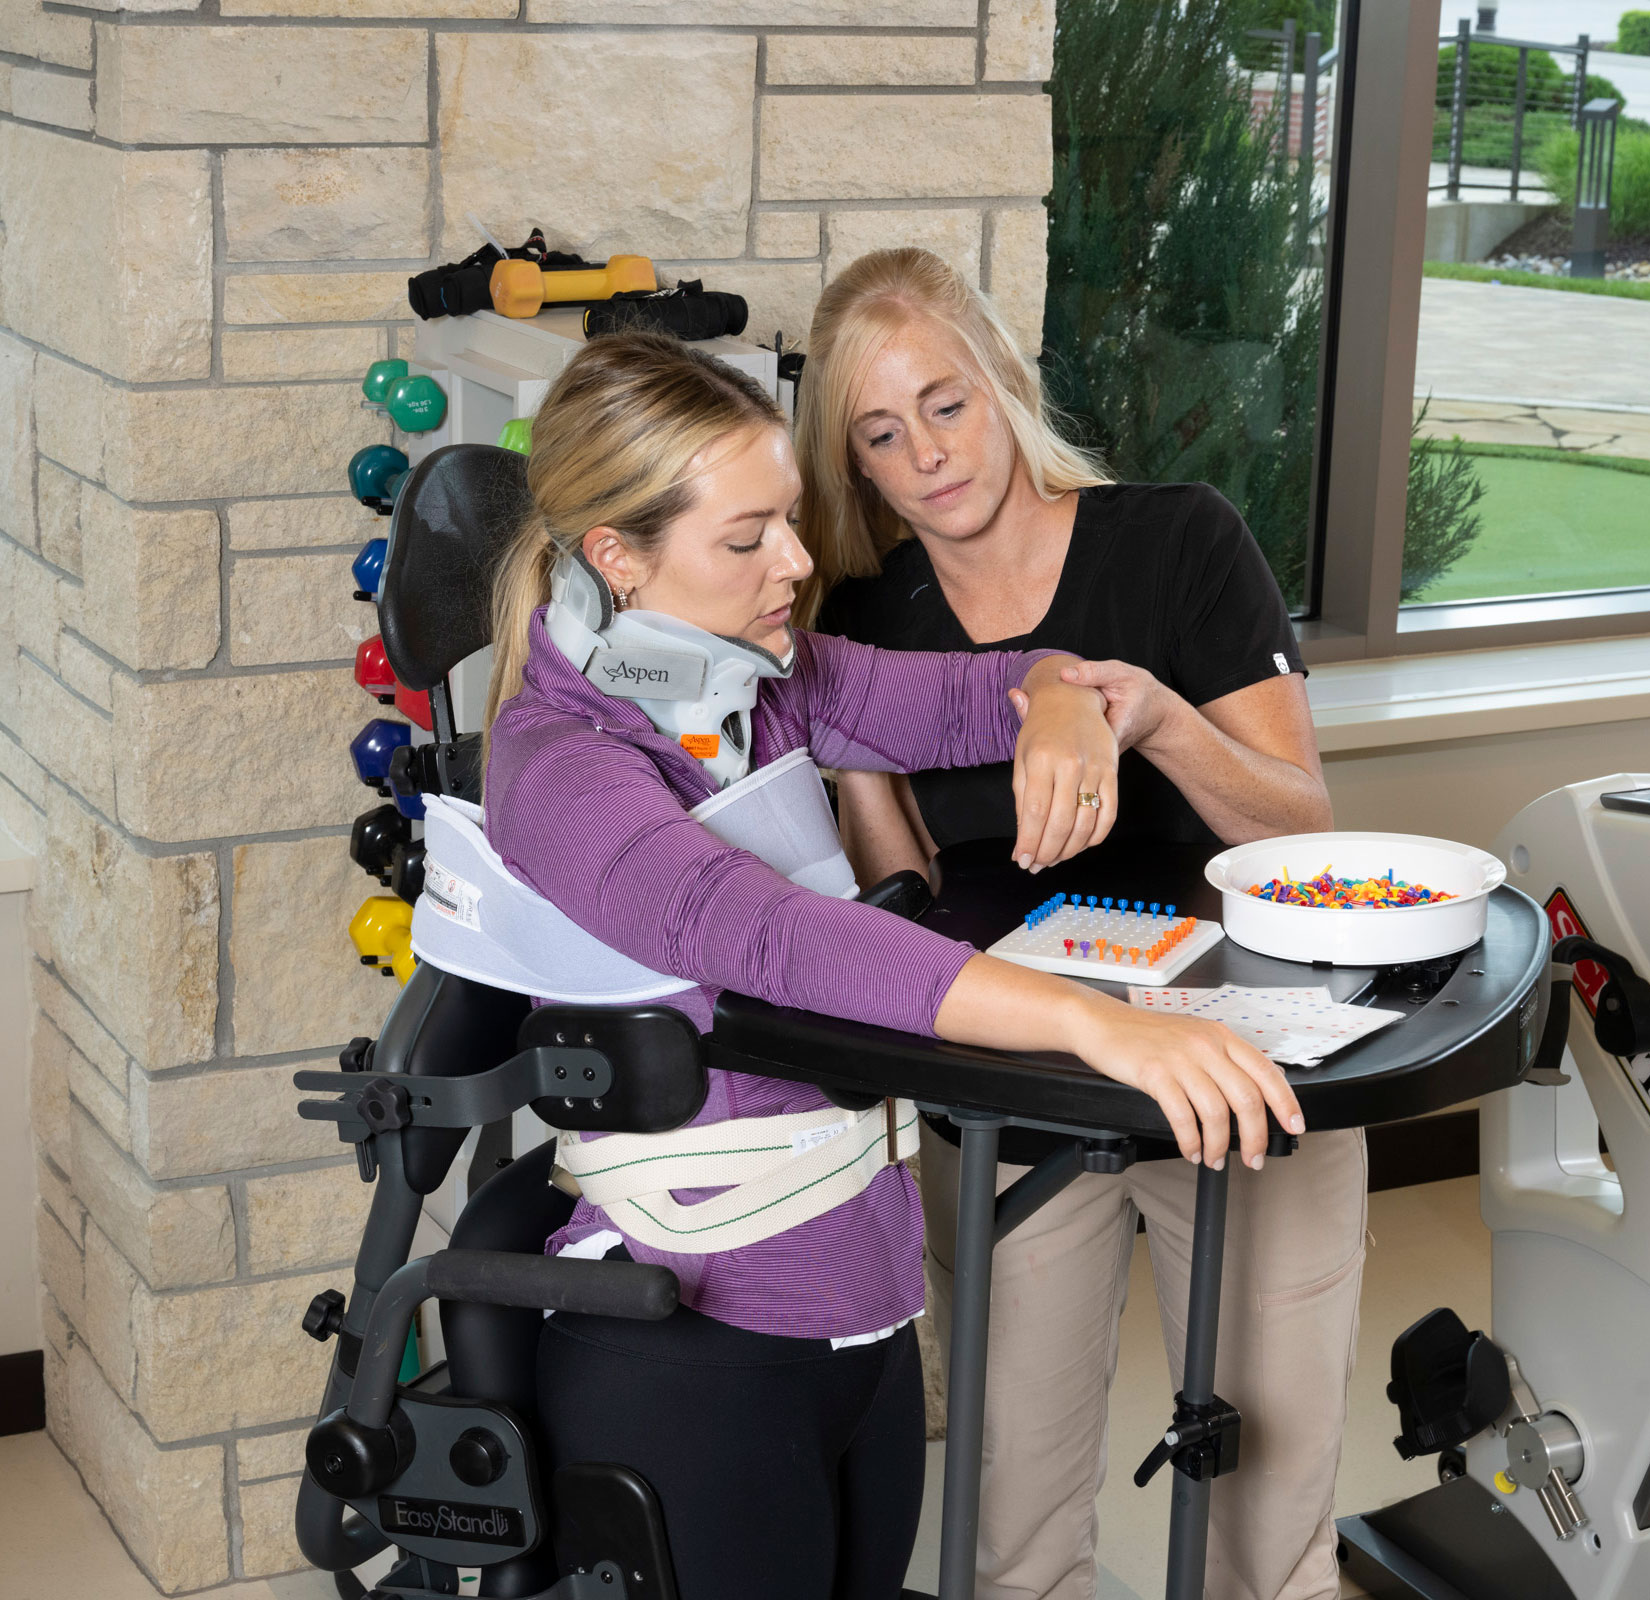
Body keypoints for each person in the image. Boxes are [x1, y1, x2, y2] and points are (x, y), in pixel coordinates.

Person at [471, 331, 1307, 1600]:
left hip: (859, 1320)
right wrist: (1096, 1025)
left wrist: (1065, 697)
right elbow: (773, 936)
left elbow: (984, 693)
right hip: (700, 1344)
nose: (798, 567)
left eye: (792, 522)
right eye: (746, 540)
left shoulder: (765, 682)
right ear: (616, 559)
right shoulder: (562, 769)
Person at [800, 250, 1361, 1600]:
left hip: (1239, 1058)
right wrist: (850, 733)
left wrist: (1158, 716)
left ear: (1003, 378)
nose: (928, 455)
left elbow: (1305, 841)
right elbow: (909, 899)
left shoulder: (1176, 542)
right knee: (1012, 1511)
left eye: (945, 403)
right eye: (883, 434)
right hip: (1018, 1083)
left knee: (1267, 1503)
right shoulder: (874, 617)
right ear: (858, 468)